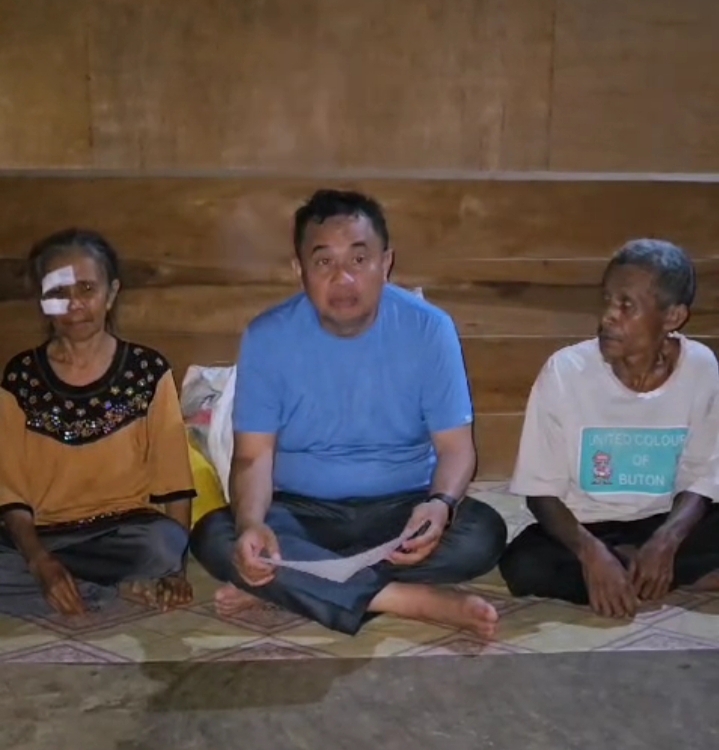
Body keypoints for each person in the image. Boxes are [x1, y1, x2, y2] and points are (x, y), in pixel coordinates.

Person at [191, 189, 507, 638]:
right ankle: (402, 599)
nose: (343, 278)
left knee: (482, 534)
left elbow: (456, 448)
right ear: (299, 270)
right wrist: (252, 524)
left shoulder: (429, 328)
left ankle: (292, 584)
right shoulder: (267, 337)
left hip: (402, 509)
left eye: (359, 259)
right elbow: (252, 456)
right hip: (301, 512)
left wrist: (439, 504)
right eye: (324, 262)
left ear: (386, 263)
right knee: (215, 534)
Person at [499, 238, 719, 617]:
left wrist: (666, 541)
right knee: (524, 564)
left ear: (672, 317)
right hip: (589, 525)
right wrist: (592, 554)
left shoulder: (700, 367)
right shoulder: (565, 372)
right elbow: (540, 493)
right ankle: (650, 572)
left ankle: (640, 570)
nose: (607, 317)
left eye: (626, 305)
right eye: (606, 301)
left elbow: (704, 476)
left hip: (667, 520)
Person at [0, 228, 196, 616]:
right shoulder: (21, 377)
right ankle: (100, 589)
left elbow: (174, 482)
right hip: (42, 535)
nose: (74, 304)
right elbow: (11, 494)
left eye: (87, 289)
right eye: (58, 292)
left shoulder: (147, 370)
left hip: (124, 532)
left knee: (165, 543)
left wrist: (176, 570)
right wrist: (39, 561)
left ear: (111, 293)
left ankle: (71, 587)